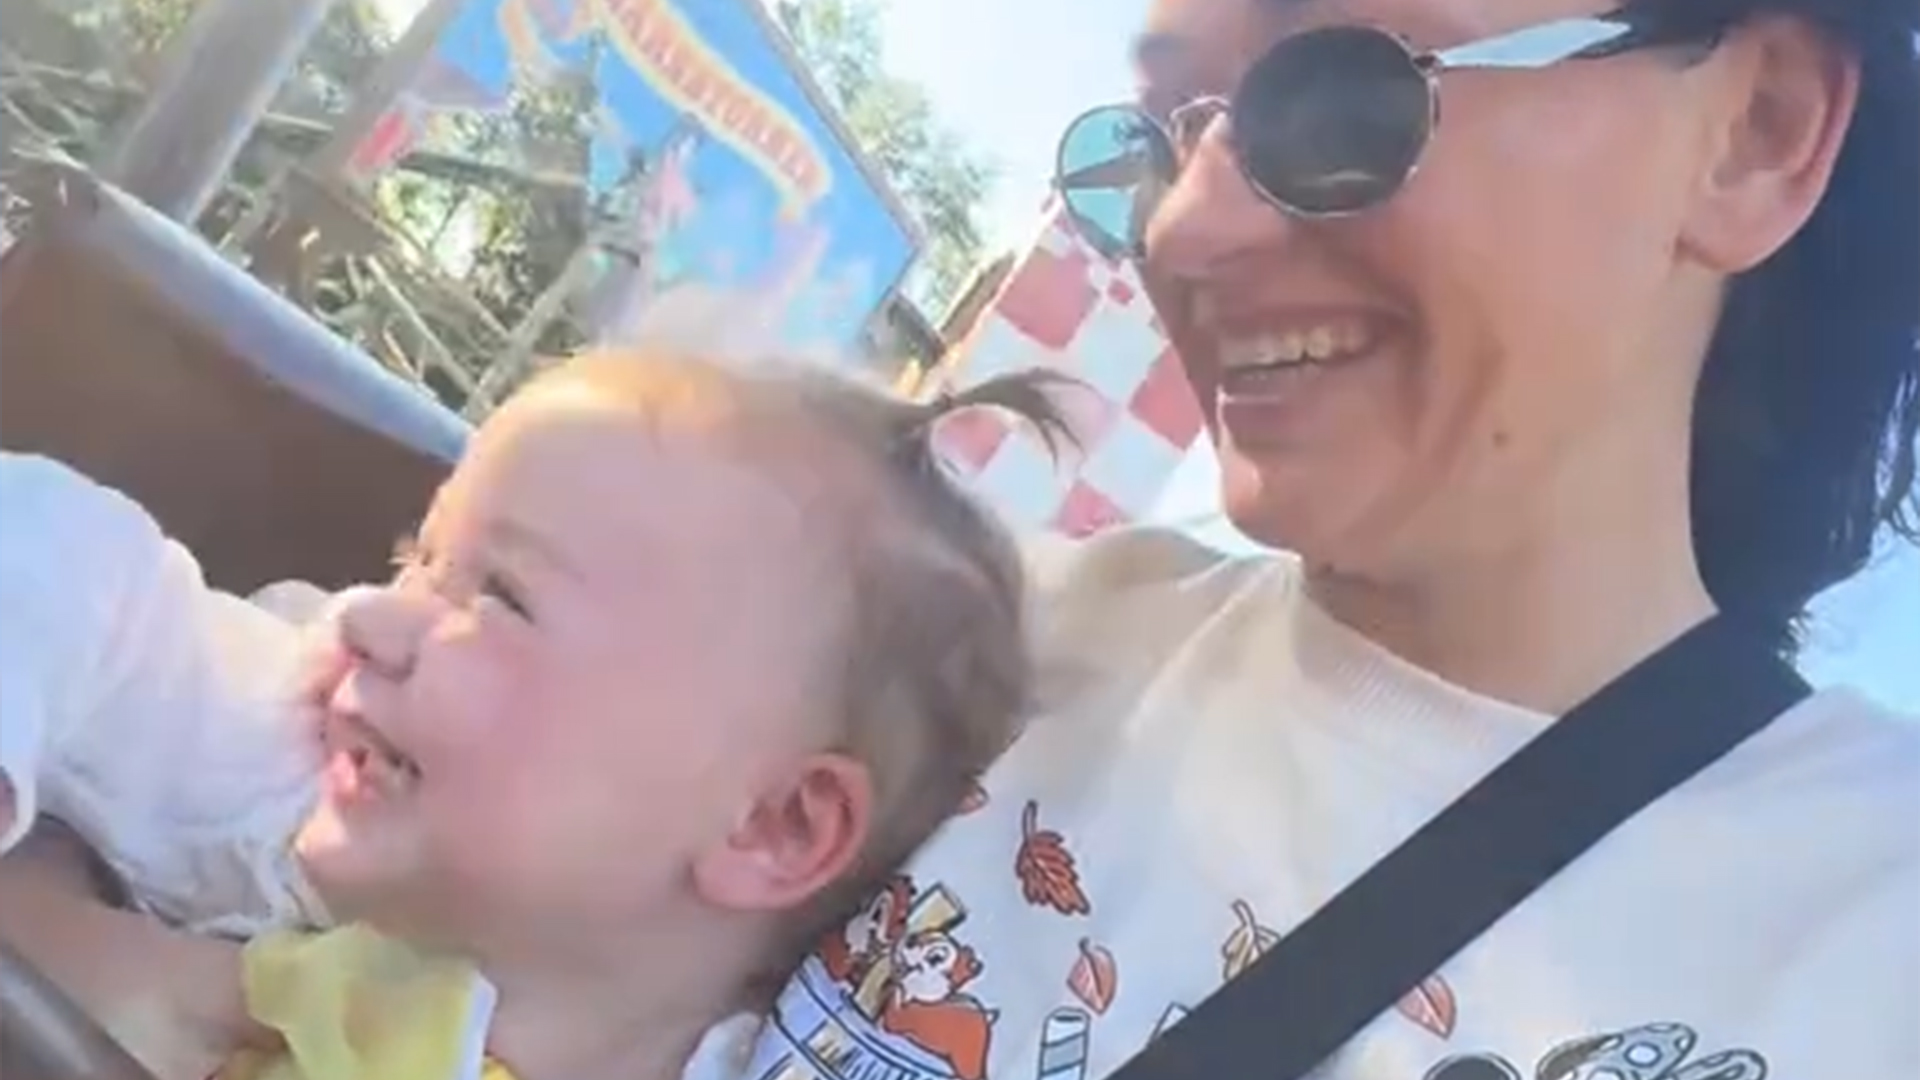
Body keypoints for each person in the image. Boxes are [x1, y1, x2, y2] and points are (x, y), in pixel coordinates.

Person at [726, 2, 1919, 1079]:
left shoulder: (1873, 947)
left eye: (1344, 100)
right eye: (1159, 138)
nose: (1186, 232)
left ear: (1755, 134)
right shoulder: (984, 652)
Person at [0, 351, 1074, 1080]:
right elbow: (64, 544)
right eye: (415, 560)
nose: (371, 615)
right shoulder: (301, 804)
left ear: (773, 826)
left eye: (501, 595)